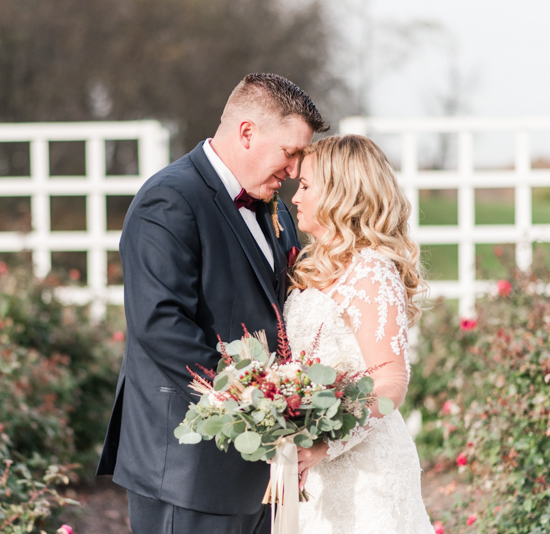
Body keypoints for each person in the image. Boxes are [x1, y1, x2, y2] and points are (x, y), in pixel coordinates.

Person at [96, 73, 327, 534]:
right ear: (247, 132)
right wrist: (256, 402)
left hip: (262, 466)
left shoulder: (278, 210)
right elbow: (161, 326)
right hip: (188, 467)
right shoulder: (169, 200)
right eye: (290, 152)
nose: (296, 170)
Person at [287, 134, 434, 533]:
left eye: (305, 186)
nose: (295, 197)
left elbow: (390, 382)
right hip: (314, 471)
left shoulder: (370, 271)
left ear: (340, 193)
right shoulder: (316, 267)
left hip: (366, 472)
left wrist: (326, 444)